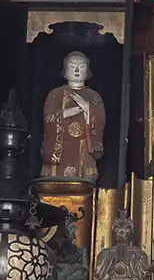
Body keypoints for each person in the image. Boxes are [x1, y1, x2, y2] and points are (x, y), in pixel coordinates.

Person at [40, 51, 106, 182]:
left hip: (83, 150)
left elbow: (100, 121)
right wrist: (66, 113)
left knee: (83, 186)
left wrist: (87, 108)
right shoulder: (55, 94)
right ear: (65, 70)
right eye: (72, 66)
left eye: (81, 67)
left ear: (87, 71)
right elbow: (48, 119)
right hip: (60, 149)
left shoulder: (94, 97)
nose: (76, 70)